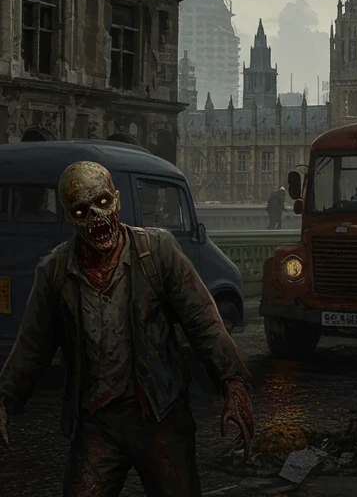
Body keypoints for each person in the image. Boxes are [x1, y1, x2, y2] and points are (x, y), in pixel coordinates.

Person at [0, 161, 253, 496]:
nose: (97, 221)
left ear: (116, 200)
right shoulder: (56, 271)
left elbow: (202, 319)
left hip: (160, 417)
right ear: (69, 216)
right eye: (81, 211)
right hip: (97, 424)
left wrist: (232, 382)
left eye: (103, 204)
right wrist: (4, 397)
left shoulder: (157, 251)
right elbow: (33, 345)